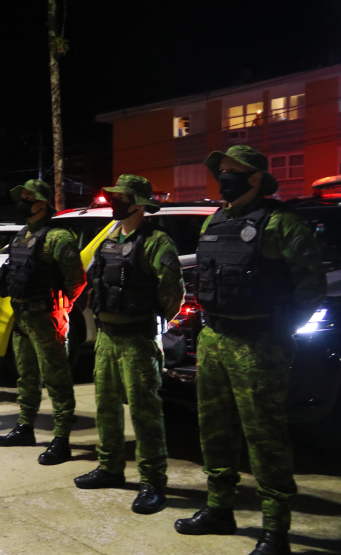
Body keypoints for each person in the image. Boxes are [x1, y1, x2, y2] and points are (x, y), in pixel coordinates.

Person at [174, 146, 325, 555]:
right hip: (215, 339)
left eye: (233, 171)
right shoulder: (216, 220)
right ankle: (219, 509)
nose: (223, 177)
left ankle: (276, 529)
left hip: (260, 343)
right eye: (221, 171)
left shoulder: (281, 223)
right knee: (215, 430)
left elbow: (310, 285)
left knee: (265, 436)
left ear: (256, 177)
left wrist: (279, 331)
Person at [73, 174, 183, 516]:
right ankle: (110, 468)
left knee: (145, 412)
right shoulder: (109, 239)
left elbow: (172, 293)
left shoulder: (156, 242)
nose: (114, 201)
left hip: (137, 338)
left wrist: (150, 321)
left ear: (137, 203)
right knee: (105, 406)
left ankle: (152, 482)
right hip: (106, 336)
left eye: (120, 197)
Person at [0, 179, 87, 466]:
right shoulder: (23, 234)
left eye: (27, 197)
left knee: (56, 378)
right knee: (26, 376)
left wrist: (62, 305)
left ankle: (61, 440)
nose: (22, 201)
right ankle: (25, 427)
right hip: (21, 315)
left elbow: (77, 280)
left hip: (46, 316)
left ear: (42, 203)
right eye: (20, 196)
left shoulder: (58, 237)